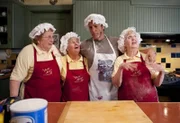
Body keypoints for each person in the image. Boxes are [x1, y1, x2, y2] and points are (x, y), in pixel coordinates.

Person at [81, 13, 157, 101]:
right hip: (96, 92)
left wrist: (150, 50)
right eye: (90, 27)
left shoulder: (115, 42)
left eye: (95, 26)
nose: (93, 30)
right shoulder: (85, 45)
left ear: (102, 27)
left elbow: (133, 49)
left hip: (115, 91)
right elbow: (68, 51)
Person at [9, 23, 62, 102]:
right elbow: (15, 78)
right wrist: (12, 101)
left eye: (52, 36)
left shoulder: (54, 50)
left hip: (55, 101)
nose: (52, 40)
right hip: (32, 104)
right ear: (38, 39)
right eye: (48, 37)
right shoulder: (28, 51)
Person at [112, 27, 164, 102]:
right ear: (124, 44)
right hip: (128, 106)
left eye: (135, 36)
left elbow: (157, 83)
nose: (133, 38)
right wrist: (120, 68)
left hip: (150, 102)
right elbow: (116, 84)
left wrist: (162, 73)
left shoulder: (146, 57)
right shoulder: (120, 60)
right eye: (129, 37)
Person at [60, 32, 90, 101]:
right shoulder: (61, 61)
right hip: (67, 104)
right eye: (72, 42)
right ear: (66, 47)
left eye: (77, 41)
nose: (76, 43)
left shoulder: (85, 61)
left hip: (84, 104)